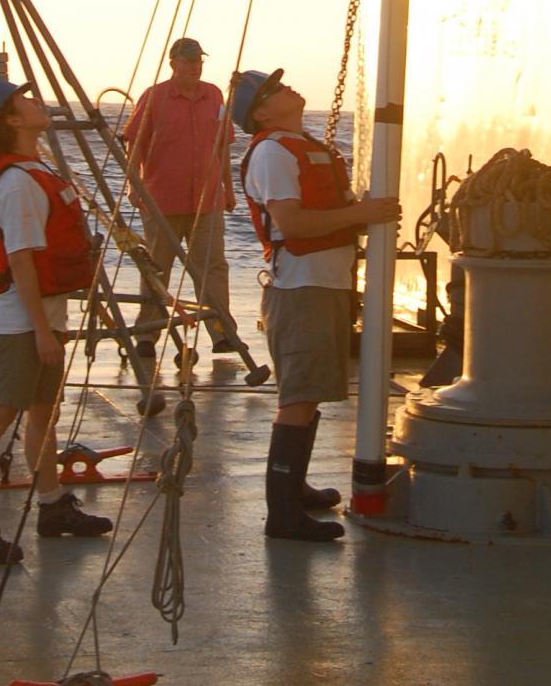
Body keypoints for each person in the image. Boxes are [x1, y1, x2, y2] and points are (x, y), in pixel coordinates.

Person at [232, 67, 400, 545]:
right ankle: (282, 514)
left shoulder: (308, 148)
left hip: (326, 284)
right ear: (262, 111)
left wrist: (359, 216)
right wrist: (363, 214)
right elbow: (293, 223)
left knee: (310, 392)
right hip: (302, 287)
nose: (289, 88)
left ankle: (295, 486)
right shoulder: (271, 153)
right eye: (275, 89)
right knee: (299, 397)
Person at [0, 78, 112, 564]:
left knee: (45, 412)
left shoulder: (34, 169)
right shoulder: (19, 182)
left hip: (43, 315)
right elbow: (21, 261)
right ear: (11, 119)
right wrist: (42, 332)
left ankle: (52, 504)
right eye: (24, 99)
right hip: (20, 322)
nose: (35, 100)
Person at [123, 37, 238, 355]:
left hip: (208, 198)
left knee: (212, 267)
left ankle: (221, 332)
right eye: (189, 61)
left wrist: (229, 188)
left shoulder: (214, 94)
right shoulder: (154, 97)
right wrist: (134, 184)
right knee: (157, 267)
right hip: (163, 199)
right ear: (173, 63)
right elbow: (134, 142)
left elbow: (223, 146)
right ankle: (147, 334)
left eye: (199, 61)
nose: (195, 67)